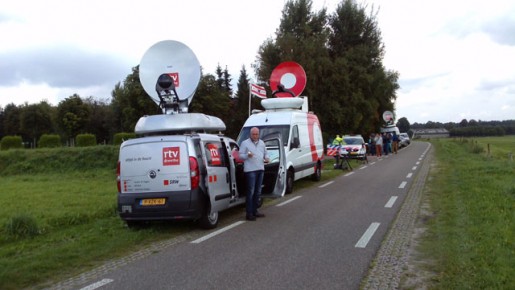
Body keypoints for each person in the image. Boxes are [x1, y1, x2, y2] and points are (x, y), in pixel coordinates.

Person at [239, 127, 270, 221]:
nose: (255, 136)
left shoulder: (262, 143)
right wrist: (247, 155)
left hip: (260, 169)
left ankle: (255, 211)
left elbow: (266, 153)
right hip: (250, 170)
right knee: (251, 192)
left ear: (259, 134)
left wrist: (267, 158)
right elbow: (240, 156)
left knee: (258, 192)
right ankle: (249, 213)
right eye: (253, 134)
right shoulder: (245, 143)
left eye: (257, 134)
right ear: (250, 134)